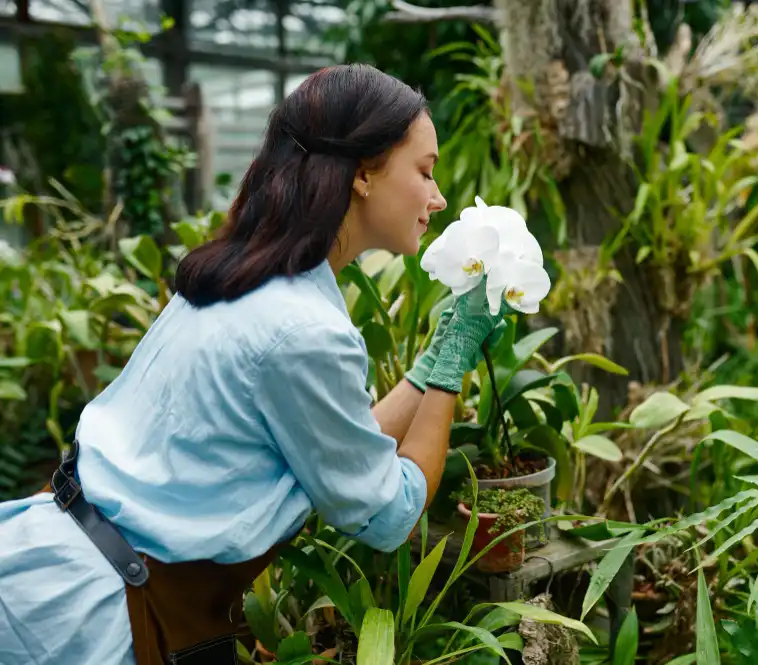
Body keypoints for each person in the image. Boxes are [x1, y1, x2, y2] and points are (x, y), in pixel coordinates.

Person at [0, 64, 503, 665]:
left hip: (47, 563)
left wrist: (423, 370)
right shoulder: (305, 330)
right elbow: (387, 513)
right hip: (87, 624)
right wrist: (450, 374)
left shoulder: (240, 278)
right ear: (364, 173)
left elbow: (342, 446)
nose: (438, 197)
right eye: (425, 171)